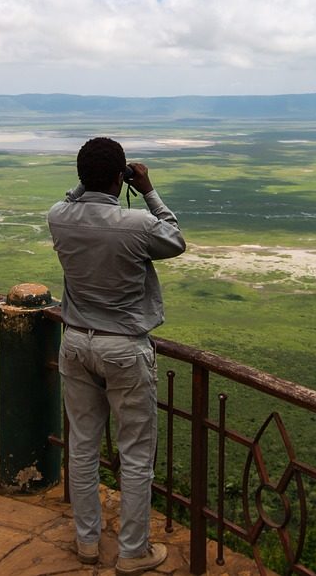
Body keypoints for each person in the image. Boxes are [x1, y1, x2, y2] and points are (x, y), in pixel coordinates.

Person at [47, 137, 186, 576]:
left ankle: (87, 543)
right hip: (124, 347)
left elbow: (75, 198)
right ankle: (132, 552)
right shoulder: (138, 224)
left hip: (75, 341)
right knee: (136, 453)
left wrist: (88, 183)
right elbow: (176, 239)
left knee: (83, 447)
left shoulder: (59, 217)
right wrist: (146, 187)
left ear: (82, 175)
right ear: (119, 176)